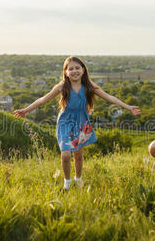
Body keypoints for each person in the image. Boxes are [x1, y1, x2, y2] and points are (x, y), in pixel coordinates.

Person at [14, 56, 141, 190]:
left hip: (81, 122)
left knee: (78, 155)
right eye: (71, 69)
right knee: (66, 154)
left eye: (77, 68)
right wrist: (25, 110)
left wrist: (128, 107)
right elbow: (43, 100)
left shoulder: (89, 86)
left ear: (83, 70)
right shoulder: (62, 86)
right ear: (66, 72)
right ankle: (67, 182)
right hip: (65, 122)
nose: (74, 71)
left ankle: (78, 178)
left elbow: (109, 98)